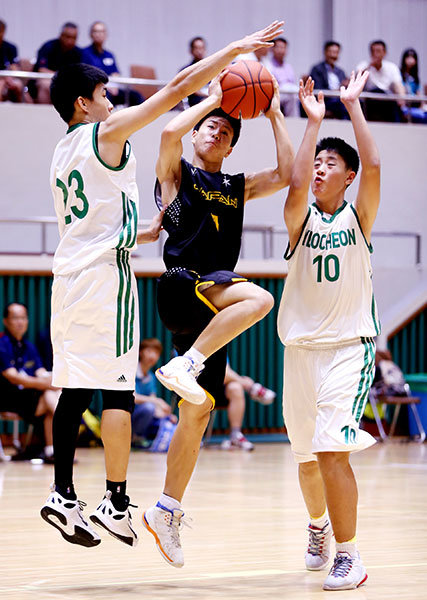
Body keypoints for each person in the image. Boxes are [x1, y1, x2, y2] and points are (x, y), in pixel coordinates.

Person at [39, 20, 285, 550]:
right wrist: (230, 57)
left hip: (74, 272)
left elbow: (96, 216)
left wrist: (139, 230)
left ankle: (66, 494)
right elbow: (172, 98)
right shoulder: (103, 132)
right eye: (104, 94)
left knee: (80, 385)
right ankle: (117, 500)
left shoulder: (63, 151)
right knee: (120, 389)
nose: (112, 101)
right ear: (84, 103)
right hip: (108, 280)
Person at [144, 50, 293, 567]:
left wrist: (273, 113)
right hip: (185, 284)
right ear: (197, 131)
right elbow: (165, 135)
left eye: (226, 132)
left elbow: (289, 172)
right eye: (210, 127)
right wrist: (213, 97)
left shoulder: (237, 186)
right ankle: (184, 363)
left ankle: (167, 509)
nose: (217, 134)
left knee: (199, 413)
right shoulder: (177, 171)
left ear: (232, 146)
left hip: (212, 308)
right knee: (261, 297)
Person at [277, 71, 381, 591]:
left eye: (330, 164)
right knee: (306, 459)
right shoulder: (300, 222)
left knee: (332, 451)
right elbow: (295, 185)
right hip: (299, 351)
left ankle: (350, 554)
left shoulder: (359, 219)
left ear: (348, 177)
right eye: (317, 163)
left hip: (348, 347)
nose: (319, 169)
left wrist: (350, 105)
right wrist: (312, 125)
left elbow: (375, 164)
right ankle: (317, 527)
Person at [0, 303, 60, 462]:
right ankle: (65, 423)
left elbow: (41, 372)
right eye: (15, 318)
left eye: (23, 318)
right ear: (6, 321)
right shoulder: (2, 344)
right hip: (8, 399)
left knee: (50, 395)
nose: (20, 322)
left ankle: (51, 450)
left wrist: (53, 381)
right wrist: (48, 384)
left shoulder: (29, 347)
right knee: (49, 394)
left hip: (29, 399)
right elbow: (15, 378)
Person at [81, 21, 143, 107]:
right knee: (105, 97)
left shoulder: (109, 55)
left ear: (106, 35)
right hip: (96, 90)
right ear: (91, 34)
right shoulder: (84, 53)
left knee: (135, 96)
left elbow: (115, 73)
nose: (99, 34)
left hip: (112, 88)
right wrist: (105, 86)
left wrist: (114, 86)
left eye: (102, 31)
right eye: (96, 31)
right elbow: (86, 76)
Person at [219, 363, 276, 451]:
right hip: (199, 385)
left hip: (217, 387)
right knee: (240, 380)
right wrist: (244, 382)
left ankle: (235, 435)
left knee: (235, 388)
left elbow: (225, 370)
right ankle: (252, 387)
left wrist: (239, 380)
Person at [132, 337, 176, 447]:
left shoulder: (151, 377)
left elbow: (154, 402)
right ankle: (134, 437)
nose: (152, 356)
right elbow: (133, 397)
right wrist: (156, 401)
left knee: (169, 419)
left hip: (146, 417)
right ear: (140, 352)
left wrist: (166, 414)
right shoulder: (132, 372)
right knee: (149, 408)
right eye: (149, 351)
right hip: (131, 416)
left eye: (156, 353)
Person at [31, 22, 82, 104]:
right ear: (61, 35)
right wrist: (60, 76)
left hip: (66, 82)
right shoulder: (48, 46)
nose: (70, 41)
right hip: (47, 79)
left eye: (74, 38)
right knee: (46, 85)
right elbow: (42, 69)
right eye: (68, 37)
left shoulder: (78, 52)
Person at [356, 40, 405, 122]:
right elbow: (356, 82)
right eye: (373, 51)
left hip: (387, 100)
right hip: (370, 100)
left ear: (384, 53)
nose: (375, 54)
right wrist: (369, 67)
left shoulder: (392, 67)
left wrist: (402, 98)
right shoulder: (363, 65)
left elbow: (398, 85)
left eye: (378, 51)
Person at [309, 41, 348, 119]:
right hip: (326, 100)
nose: (333, 55)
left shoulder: (341, 72)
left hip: (340, 99)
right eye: (331, 52)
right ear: (325, 52)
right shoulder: (317, 69)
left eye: (336, 52)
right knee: (343, 105)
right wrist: (337, 90)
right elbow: (318, 89)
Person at [266, 37, 296, 116]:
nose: (281, 51)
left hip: (290, 93)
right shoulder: (268, 65)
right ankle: (292, 120)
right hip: (275, 94)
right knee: (292, 96)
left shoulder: (289, 67)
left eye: (283, 48)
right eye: (278, 47)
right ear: (273, 49)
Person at [399, 48, 427, 124]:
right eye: (408, 57)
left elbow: (418, 94)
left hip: (415, 105)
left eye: (412, 57)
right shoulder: (399, 75)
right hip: (405, 106)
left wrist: (422, 106)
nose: (410, 60)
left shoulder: (415, 78)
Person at [179, 36, 208, 107]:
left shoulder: (212, 68)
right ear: (191, 51)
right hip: (196, 103)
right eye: (197, 48)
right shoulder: (186, 70)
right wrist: (207, 95)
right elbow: (190, 89)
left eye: (202, 48)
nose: (199, 51)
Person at [0, 20, 24, 102]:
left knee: (19, 85)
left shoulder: (10, 47)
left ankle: (24, 109)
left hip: (9, 77)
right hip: (2, 78)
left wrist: (9, 77)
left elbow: (15, 67)